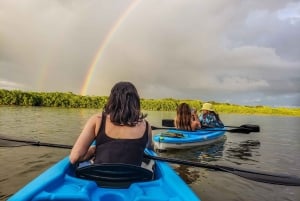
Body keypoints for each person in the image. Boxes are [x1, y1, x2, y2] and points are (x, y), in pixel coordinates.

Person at [70, 81, 153, 166]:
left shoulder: (96, 120)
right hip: (133, 178)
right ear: (135, 101)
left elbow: (74, 158)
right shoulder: (146, 126)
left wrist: (92, 150)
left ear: (112, 99)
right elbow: (150, 148)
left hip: (100, 177)